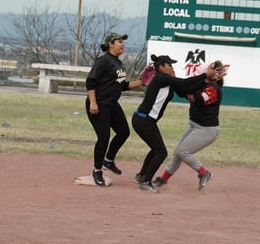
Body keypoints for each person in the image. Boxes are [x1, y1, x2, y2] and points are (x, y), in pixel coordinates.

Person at [132, 55, 223, 193]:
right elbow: (185, 85)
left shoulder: (168, 81)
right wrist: (205, 76)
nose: (172, 67)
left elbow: (184, 90)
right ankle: (146, 181)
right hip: (144, 120)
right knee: (162, 151)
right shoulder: (161, 78)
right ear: (161, 67)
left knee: (163, 150)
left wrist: (205, 79)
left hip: (202, 128)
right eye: (169, 65)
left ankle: (144, 176)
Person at [86, 33, 143, 186]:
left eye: (122, 42)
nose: (122, 44)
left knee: (124, 132)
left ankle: (108, 160)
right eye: (119, 42)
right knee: (103, 138)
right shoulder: (103, 61)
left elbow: (122, 86)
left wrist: (142, 81)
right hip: (99, 104)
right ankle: (97, 171)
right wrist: (93, 103)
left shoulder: (117, 63)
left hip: (112, 104)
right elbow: (90, 81)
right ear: (110, 44)